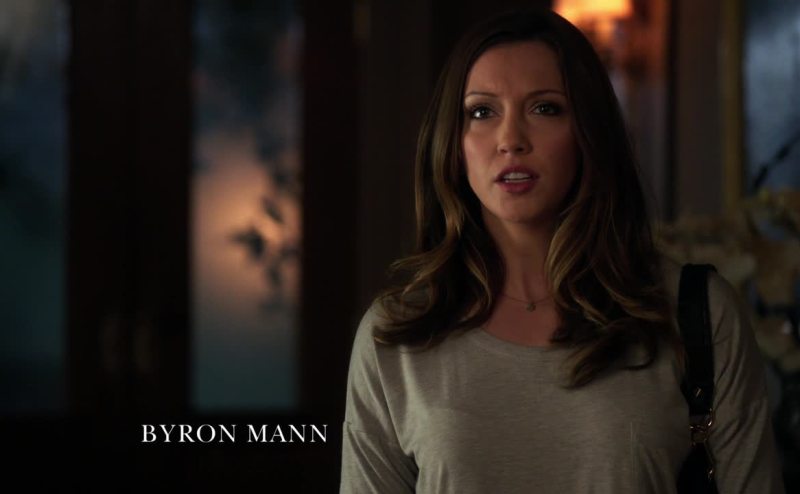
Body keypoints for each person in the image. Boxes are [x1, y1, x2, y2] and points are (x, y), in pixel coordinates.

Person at [340, 8, 785, 494]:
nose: (511, 140)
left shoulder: (693, 314)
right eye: (482, 112)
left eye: (545, 108)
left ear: (588, 131)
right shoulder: (396, 337)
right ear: (452, 141)